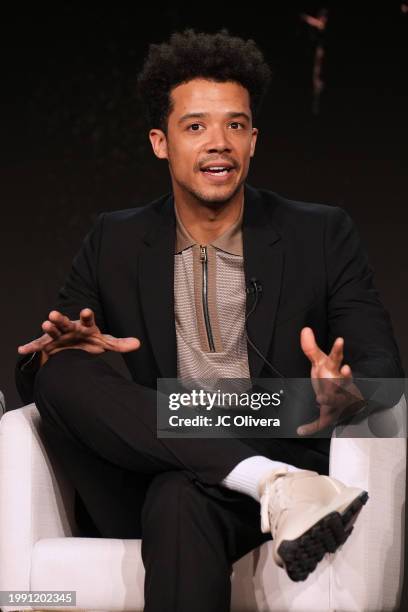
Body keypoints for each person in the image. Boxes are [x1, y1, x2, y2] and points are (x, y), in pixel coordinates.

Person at [15, 28, 403, 612]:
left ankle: (267, 480)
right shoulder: (115, 238)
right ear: (160, 142)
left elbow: (381, 368)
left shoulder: (318, 233)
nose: (218, 143)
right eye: (195, 126)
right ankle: (276, 485)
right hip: (139, 466)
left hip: (264, 442)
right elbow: (45, 383)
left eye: (236, 125)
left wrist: (342, 394)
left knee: (180, 499)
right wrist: (64, 351)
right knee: (59, 373)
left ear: (254, 141)